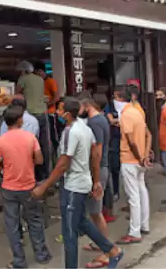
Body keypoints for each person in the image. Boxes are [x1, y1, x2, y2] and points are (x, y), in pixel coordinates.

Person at [32, 97, 124, 269]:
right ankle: (113, 251)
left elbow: (63, 163)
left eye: (60, 110)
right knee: (81, 222)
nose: (57, 113)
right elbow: (94, 155)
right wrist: (95, 181)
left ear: (67, 114)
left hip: (74, 186)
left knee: (69, 233)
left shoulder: (71, 132)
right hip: (82, 182)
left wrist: (44, 186)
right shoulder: (85, 127)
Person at [0, 105, 51, 269]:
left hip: (9, 188)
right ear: (19, 120)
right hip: (28, 186)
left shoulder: (0, 141)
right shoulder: (30, 138)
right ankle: (41, 254)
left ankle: (19, 261)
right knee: (34, 219)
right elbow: (39, 160)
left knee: (12, 223)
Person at [79, 98, 115, 258]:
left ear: (87, 106)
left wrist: (96, 179)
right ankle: (101, 243)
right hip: (100, 168)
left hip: (99, 169)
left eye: (80, 107)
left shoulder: (94, 123)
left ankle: (107, 250)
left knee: (95, 212)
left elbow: (97, 151)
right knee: (95, 212)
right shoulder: (102, 118)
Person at [117, 85, 152, 245]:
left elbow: (130, 141)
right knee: (141, 190)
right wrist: (146, 154)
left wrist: (139, 157)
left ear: (119, 98)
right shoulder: (137, 112)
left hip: (130, 160)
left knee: (133, 197)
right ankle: (144, 225)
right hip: (139, 160)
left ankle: (134, 231)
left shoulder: (125, 115)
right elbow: (148, 134)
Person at [16, 61, 50, 182]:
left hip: (30, 114)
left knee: (30, 146)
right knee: (44, 145)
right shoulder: (40, 79)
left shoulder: (23, 78)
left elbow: (16, 93)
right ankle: (46, 174)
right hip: (43, 114)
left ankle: (32, 176)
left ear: (23, 71)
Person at [104, 90, 124, 201]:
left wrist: (119, 121)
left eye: (118, 96)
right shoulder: (109, 106)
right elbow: (111, 121)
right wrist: (120, 121)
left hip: (124, 138)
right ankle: (115, 191)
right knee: (114, 167)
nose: (116, 99)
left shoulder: (126, 107)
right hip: (113, 140)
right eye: (115, 96)